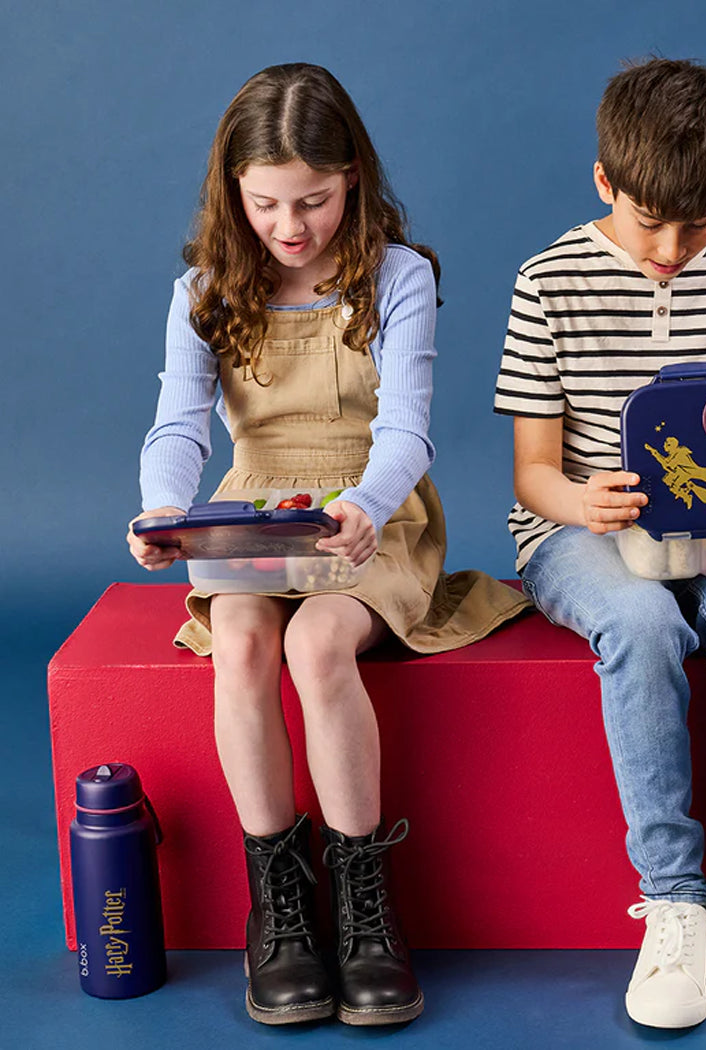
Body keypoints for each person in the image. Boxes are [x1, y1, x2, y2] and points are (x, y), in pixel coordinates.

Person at [127, 63, 529, 1028]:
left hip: (367, 511)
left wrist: (365, 503)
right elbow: (180, 426)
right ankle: (280, 905)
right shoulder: (203, 289)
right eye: (265, 203)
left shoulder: (399, 274)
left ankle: (364, 907)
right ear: (233, 192)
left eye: (314, 199)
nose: (291, 226)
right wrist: (160, 512)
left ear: (353, 177)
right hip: (253, 508)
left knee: (317, 646)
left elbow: (406, 430)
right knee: (246, 643)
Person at [494, 58, 706, 1032]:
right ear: (603, 183)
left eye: (700, 223)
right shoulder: (547, 283)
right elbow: (531, 474)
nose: (673, 248)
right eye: (649, 223)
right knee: (638, 622)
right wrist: (582, 500)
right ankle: (675, 901)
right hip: (578, 530)